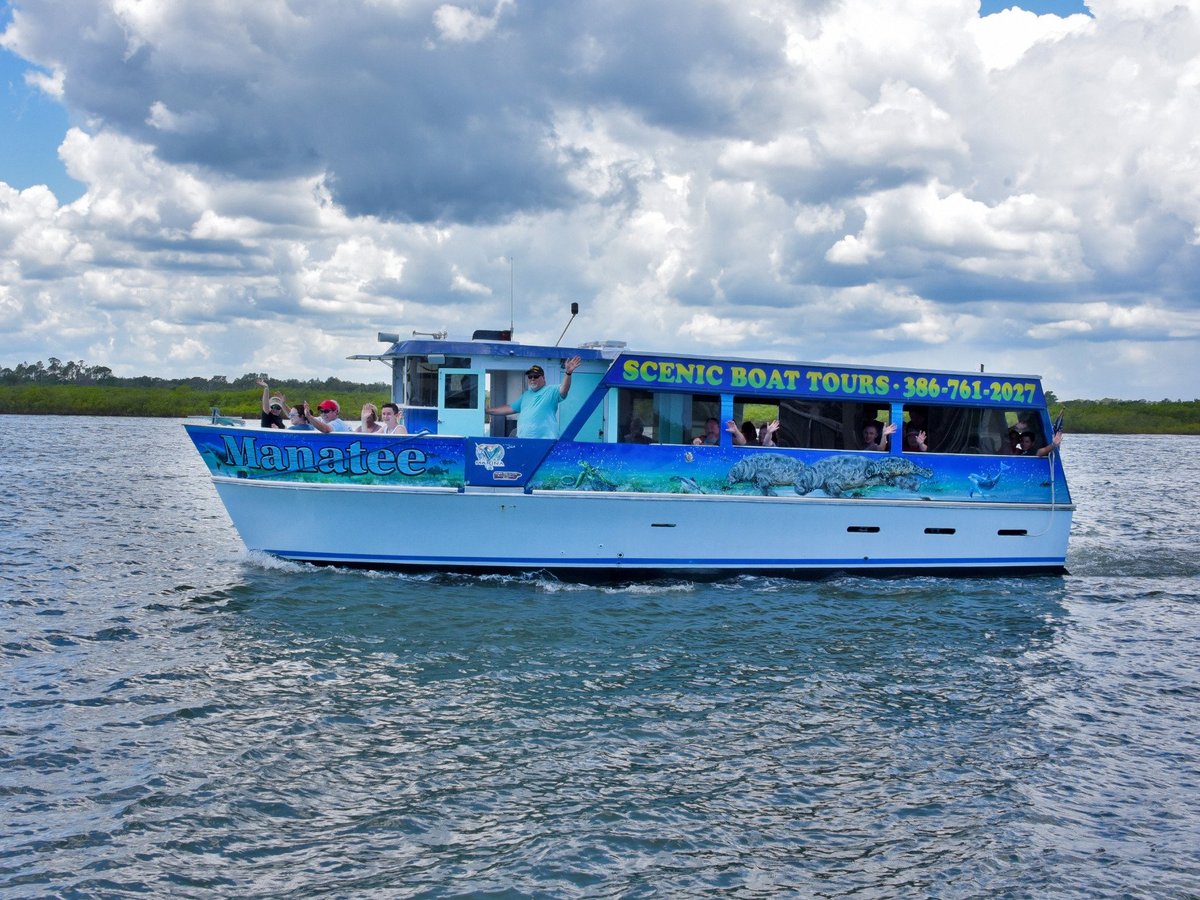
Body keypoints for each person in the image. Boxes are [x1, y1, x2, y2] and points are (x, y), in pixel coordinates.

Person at [485, 357, 582, 439]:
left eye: (535, 376)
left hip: (545, 441)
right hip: (524, 440)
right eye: (530, 376)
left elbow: (564, 389)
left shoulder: (551, 390)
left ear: (543, 378)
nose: (532, 379)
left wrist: (568, 373)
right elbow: (509, 408)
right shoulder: (526, 395)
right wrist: (487, 411)